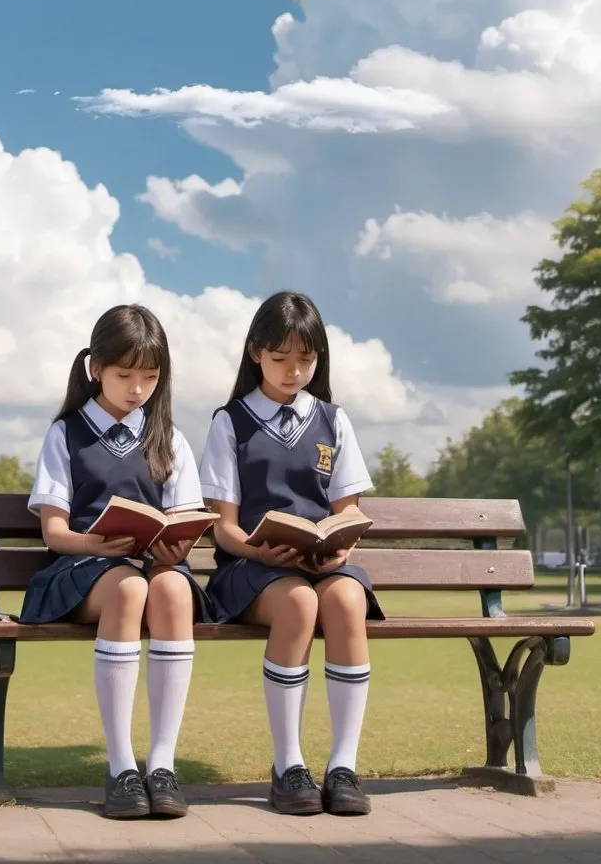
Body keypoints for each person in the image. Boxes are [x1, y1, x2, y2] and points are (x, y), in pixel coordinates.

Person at [19, 304, 210, 821]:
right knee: (129, 589)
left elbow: (186, 519)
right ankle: (122, 766)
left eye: (150, 377)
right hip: (84, 571)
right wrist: (95, 545)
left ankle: (162, 765)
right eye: (125, 375)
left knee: (170, 589)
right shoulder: (67, 435)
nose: (137, 388)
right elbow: (55, 532)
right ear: (96, 368)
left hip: (154, 570)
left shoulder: (168, 438)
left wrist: (176, 547)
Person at [199, 291, 383, 817]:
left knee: (347, 600)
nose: (293, 371)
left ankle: (343, 767)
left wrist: (339, 549)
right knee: (299, 604)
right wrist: (265, 551)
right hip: (251, 570)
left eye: (306, 359)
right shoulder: (229, 423)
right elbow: (224, 530)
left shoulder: (333, 420)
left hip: (322, 564)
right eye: (281, 359)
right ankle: (289, 765)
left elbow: (349, 514)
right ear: (257, 352)